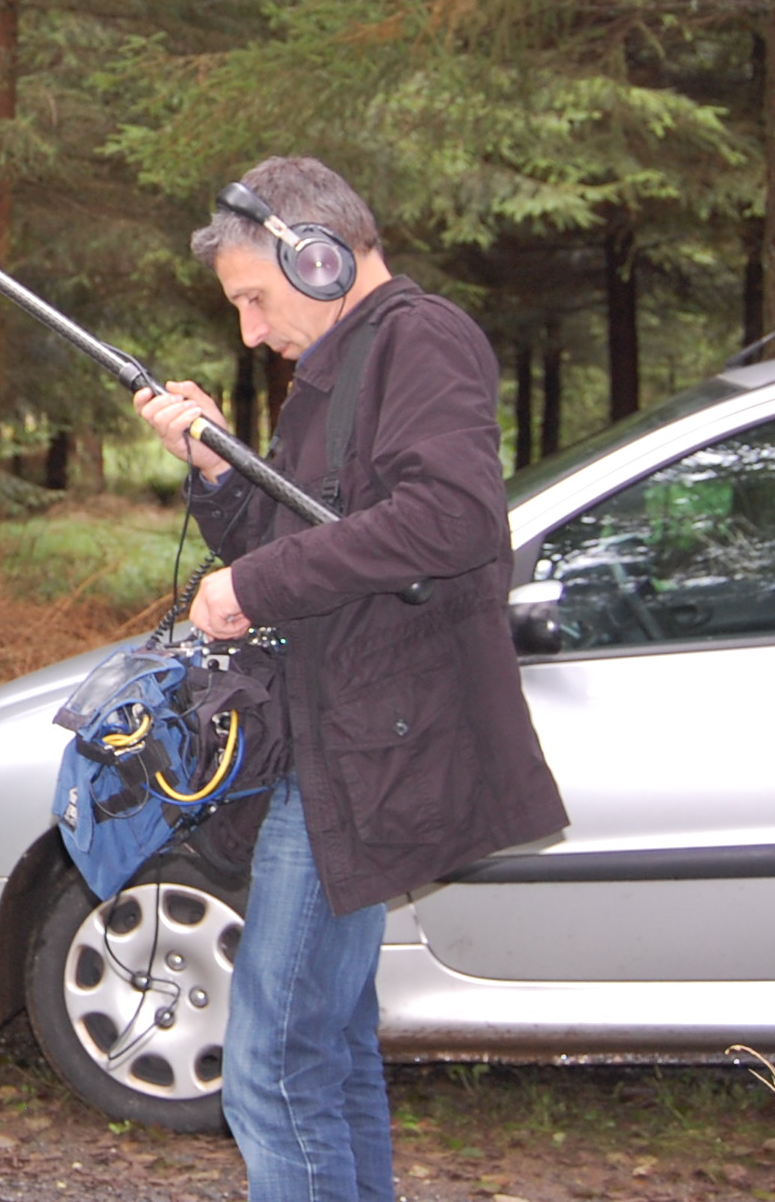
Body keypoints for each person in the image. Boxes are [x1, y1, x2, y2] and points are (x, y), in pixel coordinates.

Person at [133, 158, 566, 1202]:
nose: (248, 329)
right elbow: (314, 543)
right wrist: (218, 472)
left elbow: (453, 520)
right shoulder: (339, 366)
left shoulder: (422, 341)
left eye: (254, 297)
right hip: (326, 743)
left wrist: (252, 583)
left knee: (277, 1063)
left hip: (365, 754)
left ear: (318, 256)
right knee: (328, 1046)